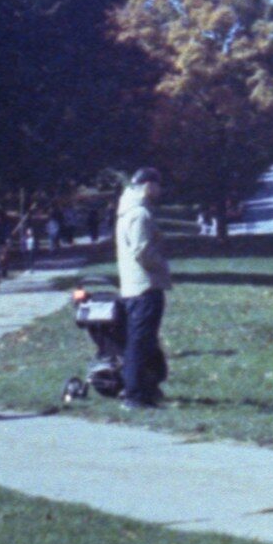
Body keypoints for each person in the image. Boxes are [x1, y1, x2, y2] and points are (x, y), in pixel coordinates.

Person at [116, 169, 172, 410]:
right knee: (139, 344)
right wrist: (163, 265)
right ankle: (134, 396)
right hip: (144, 287)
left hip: (134, 287)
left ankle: (148, 389)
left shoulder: (127, 211)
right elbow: (143, 252)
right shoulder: (139, 214)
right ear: (148, 185)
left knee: (144, 343)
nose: (160, 191)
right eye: (158, 185)